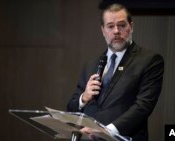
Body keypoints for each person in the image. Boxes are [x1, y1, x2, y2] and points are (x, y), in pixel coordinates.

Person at [67, 3, 164, 141]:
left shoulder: (149, 60)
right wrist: (84, 98)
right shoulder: (91, 64)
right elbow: (71, 108)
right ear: (103, 30)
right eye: (110, 26)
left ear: (131, 26)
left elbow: (143, 106)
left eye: (122, 25)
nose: (116, 31)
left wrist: (105, 131)